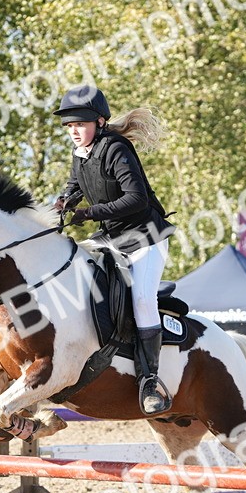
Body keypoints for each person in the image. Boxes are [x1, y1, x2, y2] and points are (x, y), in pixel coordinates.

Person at [53, 86, 176, 415]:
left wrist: (88, 214)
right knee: (72, 268)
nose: (74, 131)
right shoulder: (81, 154)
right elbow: (73, 189)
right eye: (69, 126)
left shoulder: (115, 148)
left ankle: (150, 379)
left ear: (100, 122)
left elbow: (136, 199)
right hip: (111, 236)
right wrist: (60, 207)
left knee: (142, 300)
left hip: (146, 238)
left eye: (80, 124)